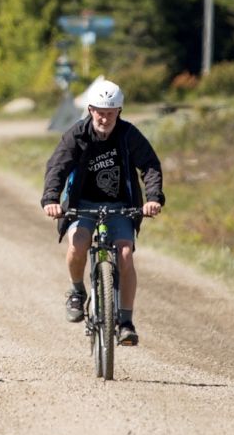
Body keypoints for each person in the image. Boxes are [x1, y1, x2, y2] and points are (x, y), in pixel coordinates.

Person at [40, 78, 164, 346]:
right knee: (78, 244)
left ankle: (126, 322)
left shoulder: (129, 135)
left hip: (121, 206)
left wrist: (153, 198)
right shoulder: (76, 135)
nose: (104, 119)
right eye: (99, 112)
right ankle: (76, 292)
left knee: (125, 255)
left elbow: (150, 166)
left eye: (110, 113)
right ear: (90, 109)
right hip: (81, 205)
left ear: (119, 112)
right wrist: (51, 198)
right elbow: (56, 167)